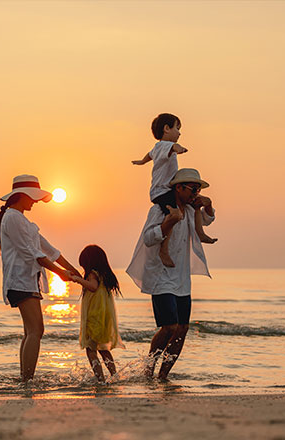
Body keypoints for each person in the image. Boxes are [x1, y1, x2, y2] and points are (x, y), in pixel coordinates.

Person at [126, 168, 215, 381]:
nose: (196, 193)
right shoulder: (160, 210)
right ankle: (149, 368)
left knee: (182, 328)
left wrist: (209, 205)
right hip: (161, 276)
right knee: (169, 327)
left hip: (182, 279)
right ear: (179, 187)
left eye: (198, 189)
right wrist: (169, 222)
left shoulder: (191, 210)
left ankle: (163, 375)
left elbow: (207, 220)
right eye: (193, 189)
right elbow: (148, 238)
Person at [0, 174, 80, 382]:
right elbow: (33, 253)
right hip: (20, 281)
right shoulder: (13, 218)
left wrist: (73, 270)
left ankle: (25, 378)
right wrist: (61, 274)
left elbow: (48, 249)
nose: (35, 202)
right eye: (33, 197)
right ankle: (27, 380)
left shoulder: (22, 220)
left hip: (28, 280)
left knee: (30, 332)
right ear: (22, 195)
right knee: (36, 330)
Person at [132, 113, 217, 267]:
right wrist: (180, 149)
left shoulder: (157, 149)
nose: (179, 132)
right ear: (166, 129)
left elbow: (149, 155)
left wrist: (141, 161)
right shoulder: (164, 146)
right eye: (177, 128)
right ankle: (164, 249)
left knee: (195, 205)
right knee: (173, 215)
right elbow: (173, 147)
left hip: (167, 190)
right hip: (161, 191)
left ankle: (201, 233)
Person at [70, 245, 125, 382]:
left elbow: (93, 287)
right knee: (103, 349)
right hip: (103, 317)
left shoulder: (93, 274)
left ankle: (100, 379)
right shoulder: (105, 276)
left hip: (94, 317)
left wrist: (78, 280)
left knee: (90, 349)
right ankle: (114, 376)